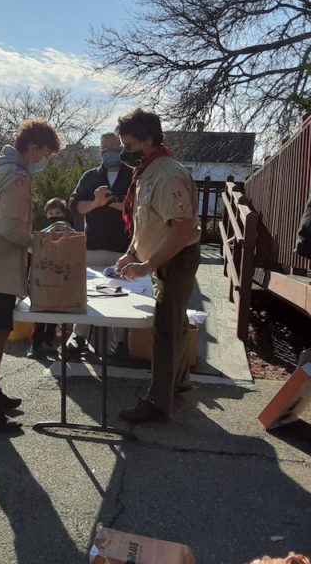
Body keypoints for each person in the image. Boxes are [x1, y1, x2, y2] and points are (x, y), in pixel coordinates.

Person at [0, 119, 61, 432]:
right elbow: (8, 228)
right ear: (32, 148)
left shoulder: (4, 168)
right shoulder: (16, 176)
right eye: (45, 153)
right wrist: (39, 244)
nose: (46, 160)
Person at [114, 108, 201, 423]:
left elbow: (181, 229)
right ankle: (177, 383)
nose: (125, 152)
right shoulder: (149, 170)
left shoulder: (167, 175)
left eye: (130, 145)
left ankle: (158, 403)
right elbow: (146, 223)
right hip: (164, 256)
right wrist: (131, 253)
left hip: (175, 258)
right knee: (174, 324)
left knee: (165, 329)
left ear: (148, 140)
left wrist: (148, 265)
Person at [65, 132, 133, 360]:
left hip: (121, 248)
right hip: (92, 246)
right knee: (87, 294)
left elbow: (140, 209)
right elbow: (75, 207)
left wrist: (117, 204)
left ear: (122, 148)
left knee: (121, 296)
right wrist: (96, 203)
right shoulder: (90, 176)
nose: (110, 151)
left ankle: (121, 343)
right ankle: (79, 337)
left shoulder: (133, 176)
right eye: (106, 148)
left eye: (115, 146)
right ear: (100, 150)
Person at [26, 197, 70, 359]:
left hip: (62, 277)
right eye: (51, 213)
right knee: (40, 311)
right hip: (43, 278)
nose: (54, 216)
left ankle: (49, 341)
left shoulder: (70, 232)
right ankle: (36, 343)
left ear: (63, 214)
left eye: (57, 213)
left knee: (54, 311)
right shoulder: (42, 233)